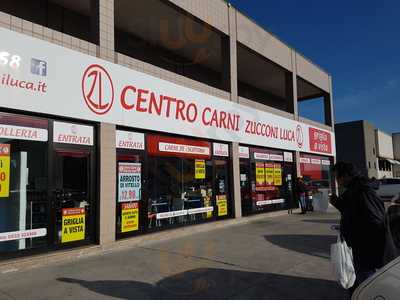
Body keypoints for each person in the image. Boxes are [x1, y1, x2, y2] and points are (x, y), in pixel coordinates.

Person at [329, 162, 392, 295]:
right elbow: (353, 211)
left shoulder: (363, 191)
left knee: (367, 282)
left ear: (346, 175)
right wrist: (337, 203)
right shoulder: (353, 190)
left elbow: (375, 220)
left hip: (366, 249)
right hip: (357, 246)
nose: (337, 181)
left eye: (337, 177)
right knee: (360, 280)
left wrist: (355, 231)